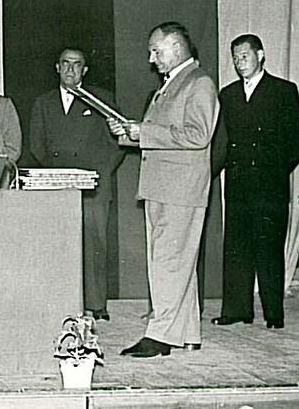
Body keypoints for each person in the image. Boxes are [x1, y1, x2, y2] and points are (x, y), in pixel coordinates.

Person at [108, 22, 218, 357]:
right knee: (175, 262)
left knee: (168, 263)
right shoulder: (171, 85)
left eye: (156, 51)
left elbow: (198, 135)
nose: (151, 58)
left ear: (175, 47)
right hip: (162, 187)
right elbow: (158, 134)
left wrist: (143, 132)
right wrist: (127, 133)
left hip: (180, 190)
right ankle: (188, 333)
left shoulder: (199, 83)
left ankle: (160, 336)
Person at [211, 34, 299, 330]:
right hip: (238, 183)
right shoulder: (227, 95)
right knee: (237, 247)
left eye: (245, 56)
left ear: (261, 55)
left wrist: (277, 168)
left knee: (269, 248)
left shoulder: (283, 90)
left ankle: (273, 313)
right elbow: (222, 142)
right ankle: (237, 310)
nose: (240, 62)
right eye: (236, 57)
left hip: (270, 185)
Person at [29, 48, 124, 320]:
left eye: (77, 65)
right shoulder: (43, 103)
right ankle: (60, 301)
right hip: (58, 185)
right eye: (66, 64)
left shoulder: (101, 100)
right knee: (58, 242)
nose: (71, 70)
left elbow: (117, 144)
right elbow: (37, 144)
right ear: (57, 68)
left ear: (85, 70)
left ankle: (96, 305)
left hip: (93, 184)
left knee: (95, 242)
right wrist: (56, 175)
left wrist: (100, 174)